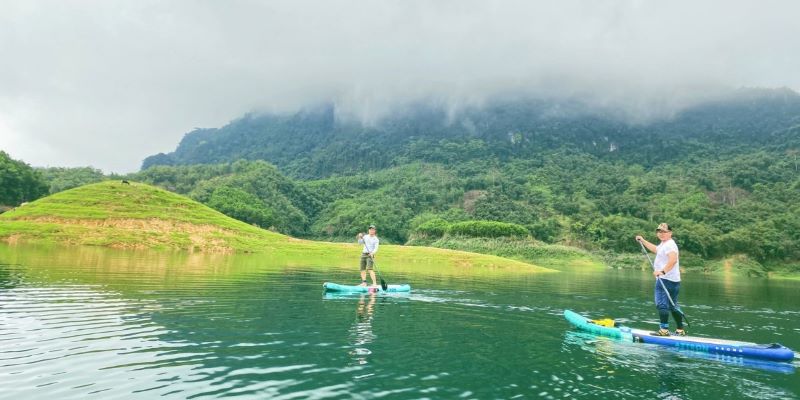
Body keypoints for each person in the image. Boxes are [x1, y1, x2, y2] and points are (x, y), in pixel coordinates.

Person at [636, 223, 685, 336]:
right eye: (659, 231)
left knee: (662, 304)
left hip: (665, 279)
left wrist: (662, 272)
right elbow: (656, 249)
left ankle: (664, 330)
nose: (661, 234)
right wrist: (643, 240)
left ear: (670, 233)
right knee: (673, 305)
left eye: (664, 232)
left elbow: (673, 260)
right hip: (674, 280)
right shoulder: (665, 244)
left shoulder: (670, 245)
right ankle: (680, 330)